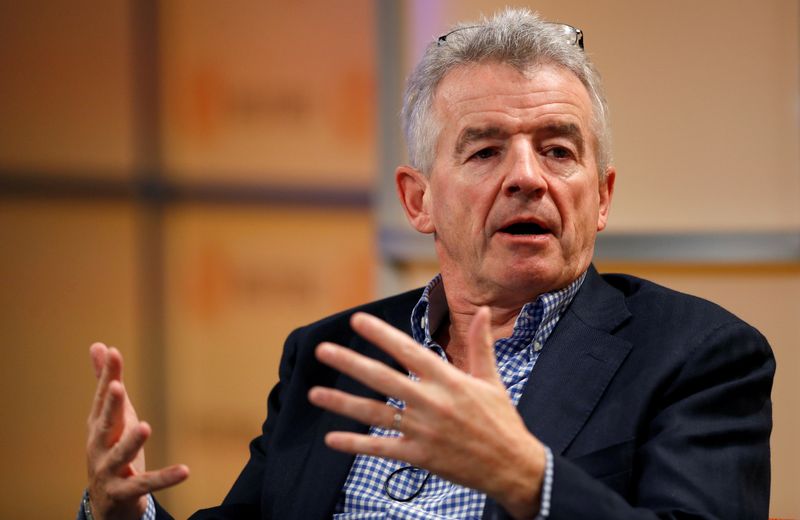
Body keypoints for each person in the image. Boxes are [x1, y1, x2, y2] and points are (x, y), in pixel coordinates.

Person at [81, 8, 774, 520]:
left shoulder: (699, 357)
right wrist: (122, 515)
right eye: (485, 150)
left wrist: (532, 479)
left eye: (559, 150)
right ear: (419, 201)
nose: (528, 177)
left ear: (601, 197)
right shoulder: (332, 354)